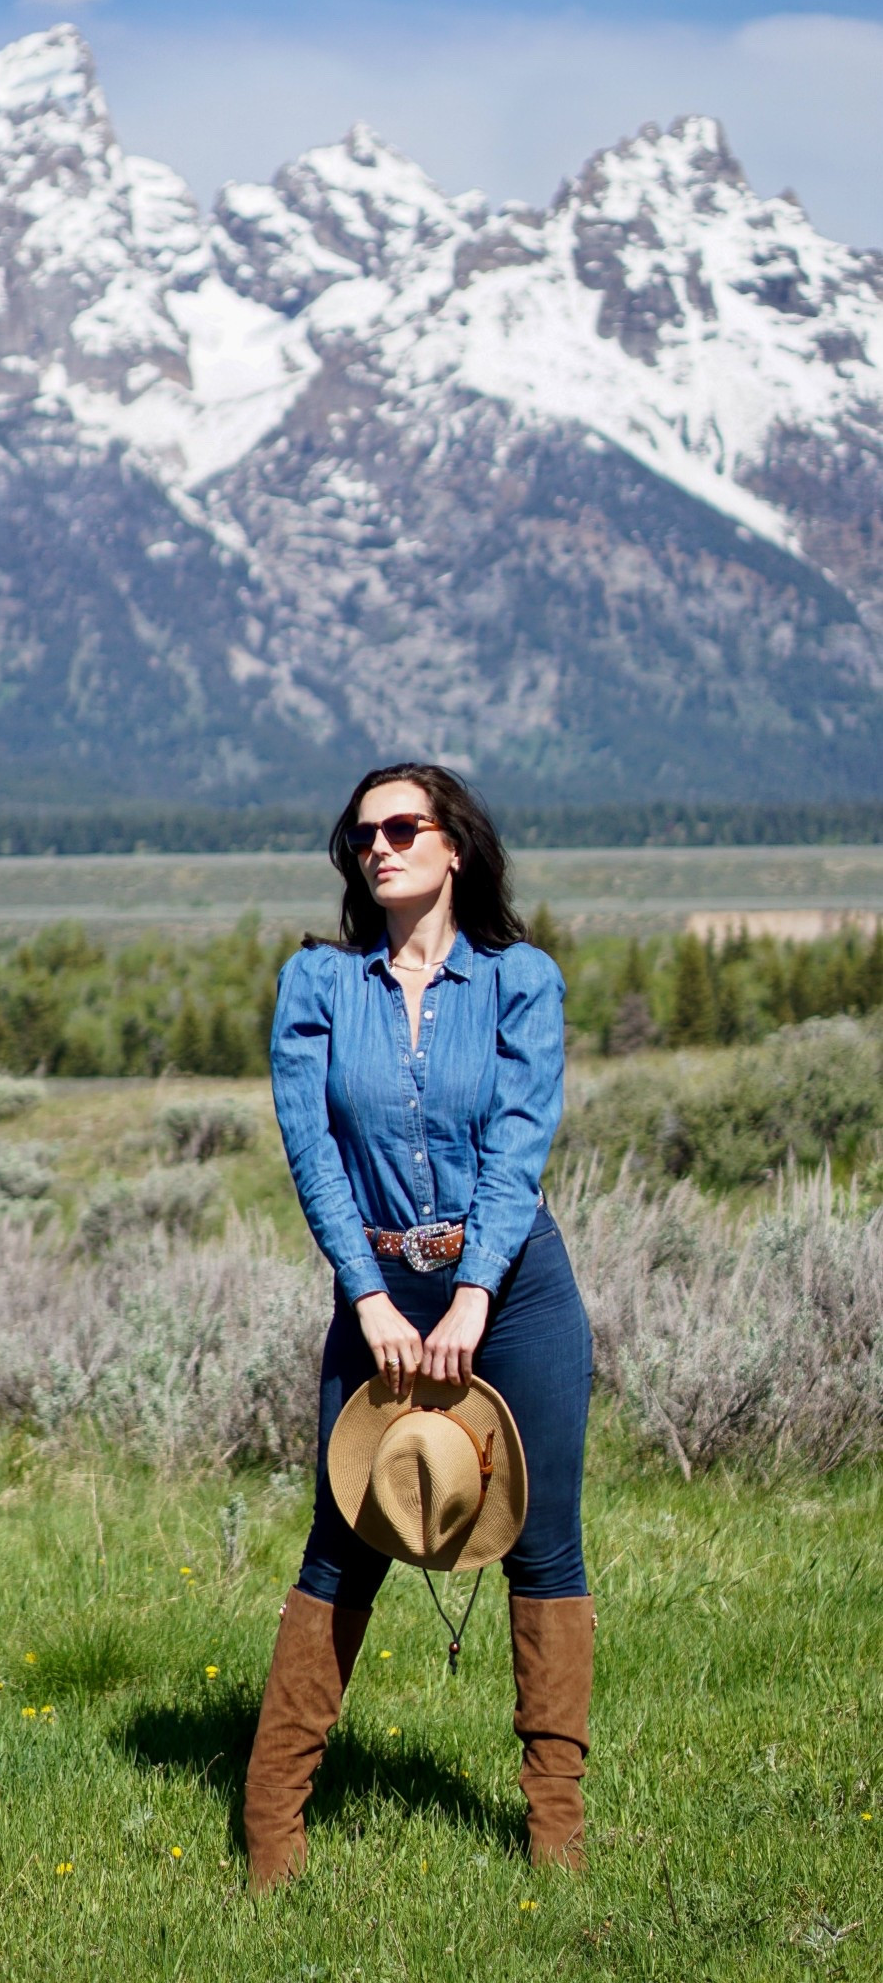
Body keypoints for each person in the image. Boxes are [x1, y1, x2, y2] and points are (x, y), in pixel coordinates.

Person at [243, 763, 595, 1891]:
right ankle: (270, 1837)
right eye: (361, 837)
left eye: (403, 827)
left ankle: (556, 1839)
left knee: (542, 1544)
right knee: (341, 1547)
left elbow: (519, 1139)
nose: (379, 848)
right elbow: (315, 1153)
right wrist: (371, 1294)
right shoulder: (315, 985)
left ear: (456, 846)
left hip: (516, 1290)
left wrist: (478, 1287)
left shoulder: (519, 982)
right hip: (380, 1294)